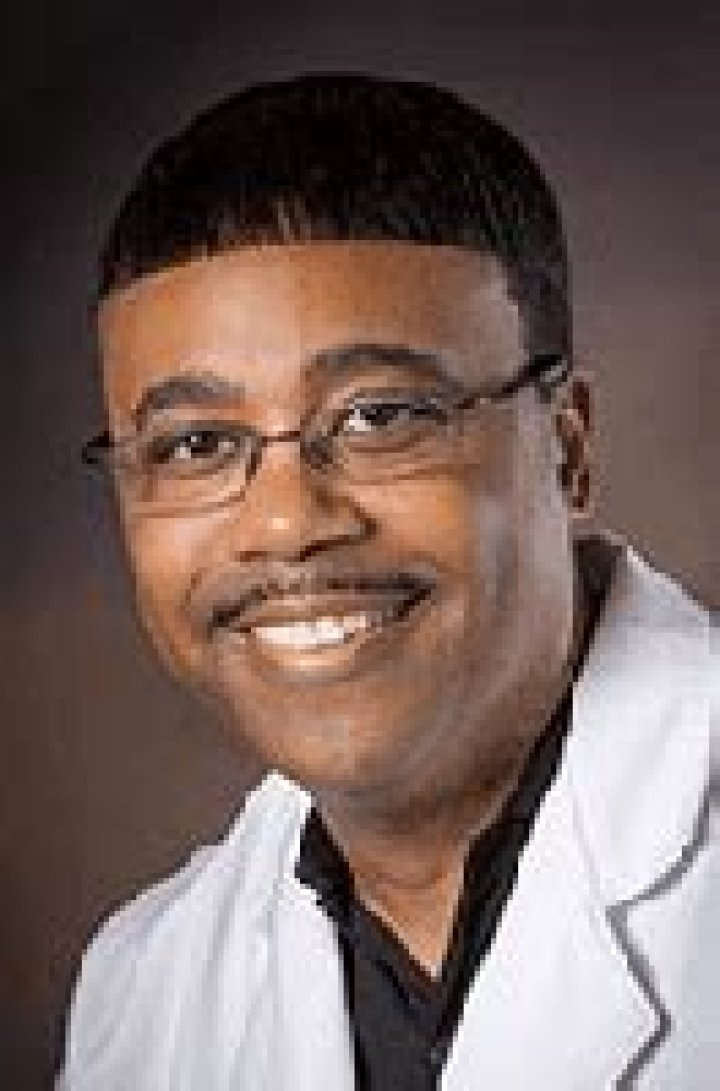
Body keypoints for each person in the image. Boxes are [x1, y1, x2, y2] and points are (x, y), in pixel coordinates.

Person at [58, 73, 716, 1089]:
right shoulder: (142, 988)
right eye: (195, 444)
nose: (285, 523)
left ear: (568, 450)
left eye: (380, 416)